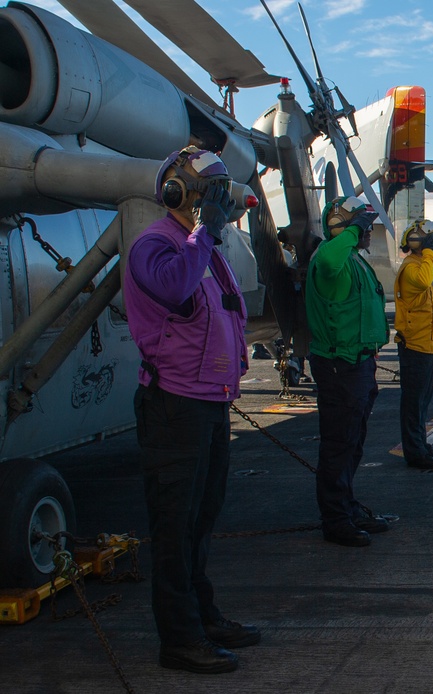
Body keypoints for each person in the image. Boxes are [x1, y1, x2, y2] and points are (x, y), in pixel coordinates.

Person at [123, 146, 257, 674]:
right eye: (214, 189)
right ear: (182, 192)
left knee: (202, 518)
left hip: (208, 402)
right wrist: (204, 233)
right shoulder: (154, 245)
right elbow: (176, 287)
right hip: (174, 406)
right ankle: (179, 639)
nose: (224, 197)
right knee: (175, 527)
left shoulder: (206, 247)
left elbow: (225, 308)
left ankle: (203, 616)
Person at [305, 196, 393, 547]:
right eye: (363, 225)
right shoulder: (331, 256)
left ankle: (346, 505)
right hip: (339, 365)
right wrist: (351, 230)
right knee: (339, 444)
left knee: (352, 443)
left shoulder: (352, 259)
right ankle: (336, 519)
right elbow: (328, 261)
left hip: (356, 363)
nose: (368, 231)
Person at [394, 219, 433, 470]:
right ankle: (414, 452)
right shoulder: (413, 268)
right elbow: (425, 281)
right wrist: (428, 253)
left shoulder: (425, 265)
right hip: (416, 344)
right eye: (430, 240)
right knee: (414, 402)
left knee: (423, 401)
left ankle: (420, 444)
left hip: (430, 343)